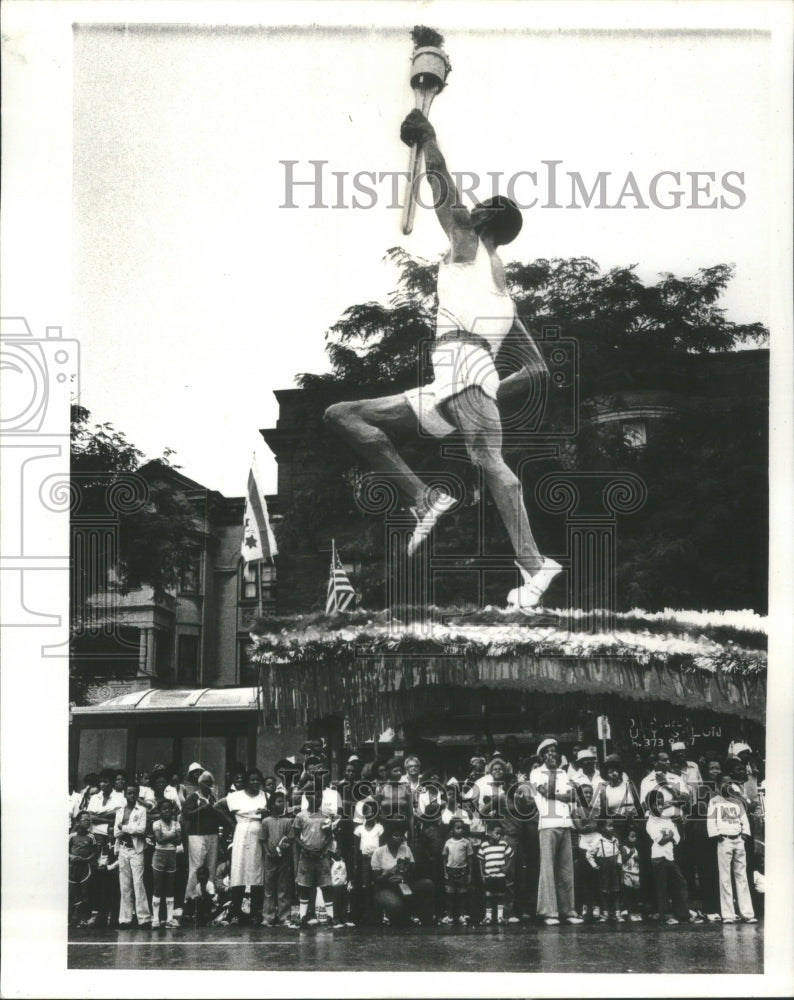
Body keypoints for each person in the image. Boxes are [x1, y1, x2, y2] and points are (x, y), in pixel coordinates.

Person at [324, 108, 559, 613]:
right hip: (451, 379)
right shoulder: (504, 299)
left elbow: (442, 188)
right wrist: (492, 388)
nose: (466, 212)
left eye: (475, 211)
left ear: (486, 220)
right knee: (344, 415)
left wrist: (428, 138)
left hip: (465, 370)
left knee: (490, 463)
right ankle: (423, 498)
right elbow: (538, 371)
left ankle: (537, 565)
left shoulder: (470, 243)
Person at [530, 738, 583, 926]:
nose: (552, 754)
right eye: (549, 751)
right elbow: (547, 792)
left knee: (565, 869)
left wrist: (558, 795)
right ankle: (549, 912)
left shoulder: (563, 772)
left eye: (554, 750)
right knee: (548, 868)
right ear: (543, 755)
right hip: (547, 823)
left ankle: (567, 910)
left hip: (564, 821)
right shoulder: (536, 773)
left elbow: (572, 795)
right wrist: (559, 794)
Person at [706, 761, 757, 924]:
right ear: (719, 785)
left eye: (729, 783)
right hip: (724, 840)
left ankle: (747, 913)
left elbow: (744, 820)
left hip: (738, 840)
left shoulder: (737, 801)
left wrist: (744, 835)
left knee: (741, 876)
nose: (727, 785)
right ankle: (728, 914)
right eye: (724, 783)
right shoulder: (714, 801)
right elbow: (711, 821)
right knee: (725, 878)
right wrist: (717, 836)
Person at [217, 769, 267, 924]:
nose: (255, 782)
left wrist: (265, 813)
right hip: (240, 833)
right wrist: (231, 822)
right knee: (239, 870)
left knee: (256, 872)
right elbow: (217, 806)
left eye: (258, 779)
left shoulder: (264, 795)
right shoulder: (235, 796)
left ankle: (255, 913)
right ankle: (235, 912)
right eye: (252, 779)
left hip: (258, 835)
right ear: (246, 781)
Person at [292, 788, 339, 928]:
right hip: (306, 857)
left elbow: (329, 835)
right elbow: (295, 836)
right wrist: (306, 848)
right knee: (305, 887)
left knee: (326, 887)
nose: (317, 799)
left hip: (322, 857)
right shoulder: (301, 816)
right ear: (307, 798)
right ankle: (303, 916)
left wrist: (322, 848)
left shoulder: (325, 815)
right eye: (314, 797)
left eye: (319, 797)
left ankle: (330, 917)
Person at [370, 823, 434, 927]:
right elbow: (376, 879)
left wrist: (405, 875)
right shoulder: (379, 852)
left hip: (403, 884)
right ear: (388, 837)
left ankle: (423, 916)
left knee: (428, 884)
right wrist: (389, 873)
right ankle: (396, 917)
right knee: (395, 905)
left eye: (401, 835)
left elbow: (413, 871)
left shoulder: (406, 849)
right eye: (396, 835)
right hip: (385, 887)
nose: (400, 838)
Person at [645, 790, 692, 925]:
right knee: (662, 887)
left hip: (669, 857)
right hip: (658, 858)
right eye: (655, 805)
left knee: (680, 882)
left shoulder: (667, 819)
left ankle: (683, 914)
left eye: (661, 804)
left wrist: (670, 836)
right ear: (649, 807)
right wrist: (669, 836)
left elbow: (676, 838)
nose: (659, 807)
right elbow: (660, 840)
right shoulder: (650, 822)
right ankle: (665, 915)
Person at [114, 783, 152, 929]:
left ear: (138, 794)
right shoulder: (120, 811)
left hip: (137, 850)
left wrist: (123, 827)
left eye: (134, 793)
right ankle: (125, 919)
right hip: (123, 849)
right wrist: (129, 830)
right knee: (125, 884)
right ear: (125, 794)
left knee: (138, 883)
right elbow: (115, 834)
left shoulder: (141, 810)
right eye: (129, 793)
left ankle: (144, 919)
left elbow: (141, 830)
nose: (132, 796)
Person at [182, 770, 223, 900]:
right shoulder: (194, 797)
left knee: (211, 865)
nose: (208, 785)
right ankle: (191, 896)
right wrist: (202, 809)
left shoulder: (212, 798)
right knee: (197, 865)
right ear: (200, 784)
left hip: (212, 835)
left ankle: (210, 895)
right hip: (196, 835)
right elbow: (186, 814)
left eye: (210, 782)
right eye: (205, 782)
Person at [258, 791, 294, 927]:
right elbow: (262, 840)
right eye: (279, 801)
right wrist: (268, 853)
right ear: (272, 804)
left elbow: (290, 839)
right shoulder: (266, 821)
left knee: (283, 887)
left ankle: (284, 917)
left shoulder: (288, 821)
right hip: (270, 859)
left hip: (284, 859)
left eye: (283, 801)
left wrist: (284, 848)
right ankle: (268, 916)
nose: (282, 804)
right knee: (269, 889)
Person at [151, 798, 182, 928]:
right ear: (159, 811)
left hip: (171, 856)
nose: (167, 811)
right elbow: (159, 840)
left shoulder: (176, 823)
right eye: (164, 809)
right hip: (159, 855)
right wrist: (171, 836)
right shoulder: (156, 823)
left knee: (170, 886)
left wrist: (166, 837)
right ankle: (156, 919)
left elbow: (179, 841)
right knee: (158, 886)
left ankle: (169, 918)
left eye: (169, 808)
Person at [585, 817, 624, 923]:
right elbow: (588, 854)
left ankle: (617, 912)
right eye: (609, 826)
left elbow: (619, 853)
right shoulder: (598, 840)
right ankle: (605, 913)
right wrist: (595, 865)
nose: (612, 828)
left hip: (614, 867)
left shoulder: (615, 840)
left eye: (613, 826)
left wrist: (619, 862)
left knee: (616, 890)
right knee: (604, 891)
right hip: (604, 868)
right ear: (602, 828)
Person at [353, 798, 384, 925]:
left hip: (377, 860)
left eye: (372, 812)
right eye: (367, 812)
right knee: (365, 886)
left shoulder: (379, 828)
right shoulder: (359, 829)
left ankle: (379, 915)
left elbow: (382, 846)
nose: (369, 815)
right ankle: (366, 914)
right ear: (364, 814)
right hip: (364, 860)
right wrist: (356, 863)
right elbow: (356, 848)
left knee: (377, 885)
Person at [478, 821, 513, 925]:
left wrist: (506, 867)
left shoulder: (503, 844)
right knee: (489, 896)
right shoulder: (484, 845)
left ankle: (500, 917)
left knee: (500, 896)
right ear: (489, 832)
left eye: (501, 834)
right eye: (497, 833)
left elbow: (511, 856)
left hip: (500, 876)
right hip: (489, 876)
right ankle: (488, 917)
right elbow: (480, 860)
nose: (499, 836)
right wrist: (482, 874)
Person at [441, 817, 473, 926]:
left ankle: (461, 915)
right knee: (450, 894)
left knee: (462, 894)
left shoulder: (466, 842)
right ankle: (449, 916)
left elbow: (469, 859)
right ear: (451, 830)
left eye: (462, 828)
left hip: (462, 871)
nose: (460, 830)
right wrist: (445, 871)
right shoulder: (448, 842)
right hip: (450, 871)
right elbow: (444, 858)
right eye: (458, 828)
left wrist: (469, 873)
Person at [68, 810, 97, 926]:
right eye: (85, 820)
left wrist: (87, 859)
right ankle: (72, 918)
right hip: (73, 868)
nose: (88, 822)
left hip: (85, 868)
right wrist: (71, 857)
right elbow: (65, 851)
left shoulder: (91, 837)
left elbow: (95, 852)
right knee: (73, 893)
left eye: (89, 820)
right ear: (78, 822)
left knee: (85, 893)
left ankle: (84, 918)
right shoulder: (71, 836)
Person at [619, 827, 643, 921]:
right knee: (628, 893)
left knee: (636, 893)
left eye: (635, 837)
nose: (634, 839)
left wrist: (638, 859)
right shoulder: (624, 848)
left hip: (636, 873)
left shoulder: (635, 849)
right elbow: (623, 860)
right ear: (626, 838)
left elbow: (639, 860)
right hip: (627, 873)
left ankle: (636, 912)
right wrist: (630, 854)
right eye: (632, 836)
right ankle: (629, 912)